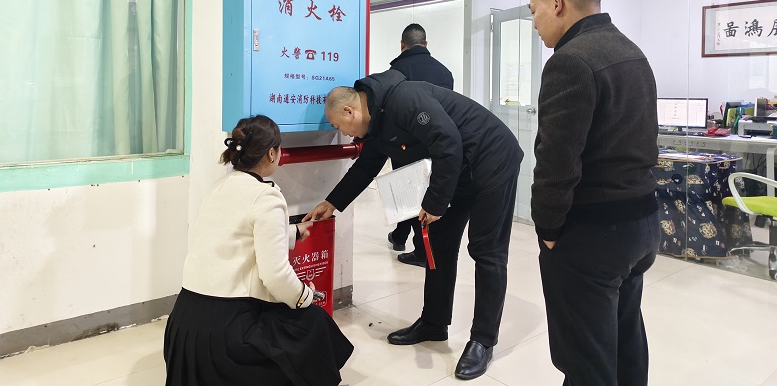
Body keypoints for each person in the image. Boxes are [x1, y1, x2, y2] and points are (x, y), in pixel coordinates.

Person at [304, 70, 523, 380]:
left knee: (486, 251)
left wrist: (435, 203)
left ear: (350, 111)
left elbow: (447, 141)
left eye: (339, 125)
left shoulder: (404, 100)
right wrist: (332, 202)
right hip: (458, 169)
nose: (344, 133)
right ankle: (434, 323)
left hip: (492, 160)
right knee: (439, 245)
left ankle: (483, 341)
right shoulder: (377, 122)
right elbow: (366, 167)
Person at [528, 0, 659, 386]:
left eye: (534, 11)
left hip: (593, 233)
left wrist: (548, 229)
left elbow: (557, 160)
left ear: (557, 3)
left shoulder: (571, 61)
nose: (535, 24)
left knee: (587, 360)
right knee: (624, 341)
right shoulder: (632, 51)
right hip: (641, 224)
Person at [163, 115, 353, 386]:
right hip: (227, 337)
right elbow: (275, 276)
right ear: (272, 153)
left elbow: (232, 235)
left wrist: (292, 232)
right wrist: (305, 296)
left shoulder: (218, 188)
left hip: (184, 328)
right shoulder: (267, 197)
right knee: (313, 323)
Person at [387, 23, 454, 267]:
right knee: (427, 192)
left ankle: (418, 248)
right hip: (437, 144)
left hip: (405, 145)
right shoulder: (445, 73)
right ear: (425, 44)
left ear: (402, 45)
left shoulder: (397, 71)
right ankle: (402, 236)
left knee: (407, 193)